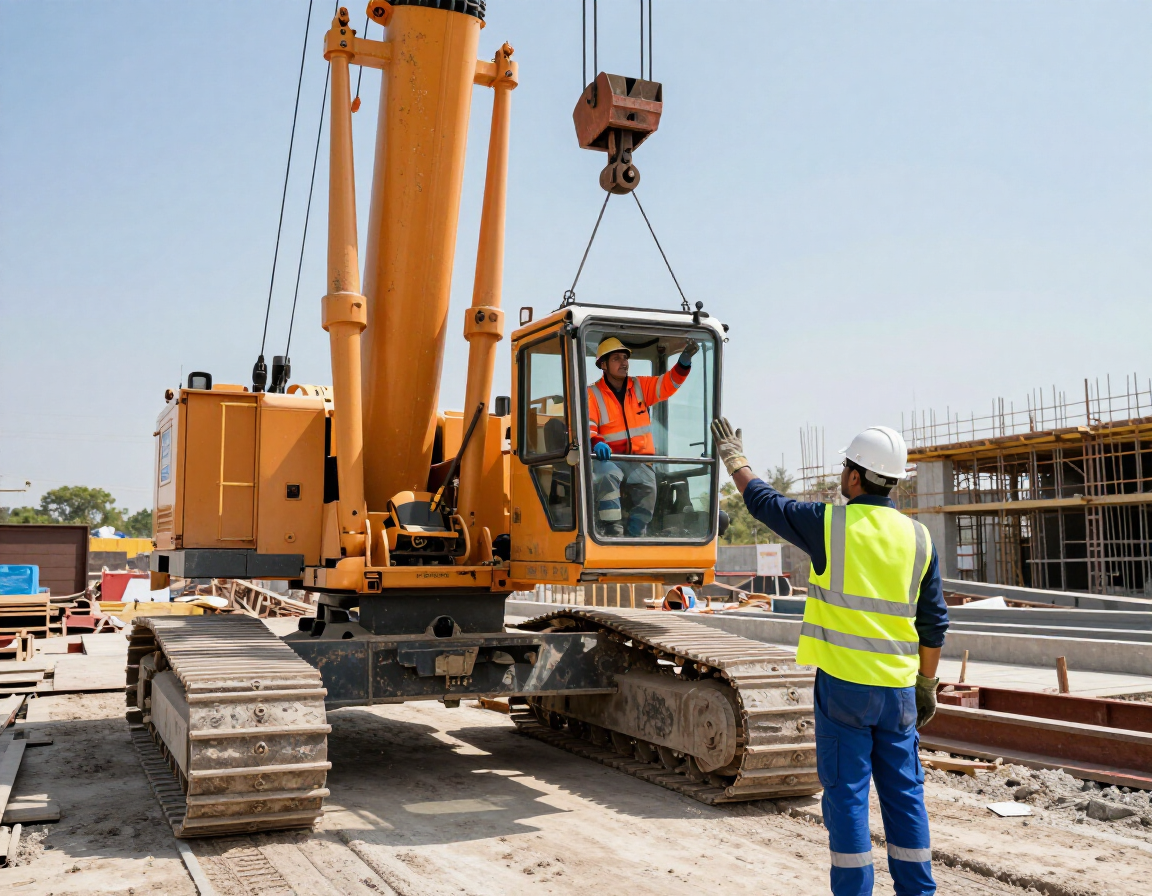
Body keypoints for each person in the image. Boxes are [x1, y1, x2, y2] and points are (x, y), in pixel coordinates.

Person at [710, 417, 948, 896]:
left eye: (845, 467)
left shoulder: (830, 525)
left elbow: (763, 502)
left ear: (856, 477)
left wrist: (736, 460)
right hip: (899, 693)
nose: (842, 474)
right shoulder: (919, 538)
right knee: (905, 797)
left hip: (844, 692)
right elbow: (934, 622)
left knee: (849, 800)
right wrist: (926, 683)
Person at [588, 336, 698, 536]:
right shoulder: (593, 394)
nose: (623, 363)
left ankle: (636, 533)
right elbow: (588, 425)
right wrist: (596, 442)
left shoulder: (640, 387)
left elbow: (668, 384)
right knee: (608, 476)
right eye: (616, 359)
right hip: (609, 458)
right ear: (603, 365)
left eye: (625, 358)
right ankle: (612, 529)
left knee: (649, 487)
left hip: (639, 460)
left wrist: (683, 363)